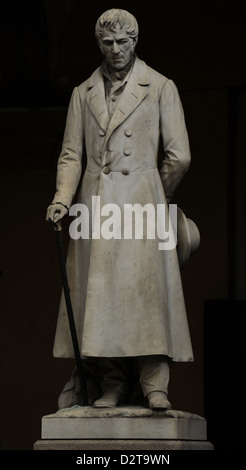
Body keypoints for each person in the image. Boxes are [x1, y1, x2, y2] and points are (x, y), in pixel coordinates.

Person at [46, 8, 194, 410]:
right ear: (99, 44)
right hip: (95, 209)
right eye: (107, 43)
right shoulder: (83, 92)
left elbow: (179, 156)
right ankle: (112, 382)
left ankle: (153, 382)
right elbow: (71, 155)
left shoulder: (160, 86)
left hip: (141, 206)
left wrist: (150, 195)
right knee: (101, 299)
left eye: (122, 43)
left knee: (147, 297)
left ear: (135, 41)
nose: (115, 50)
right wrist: (62, 199)